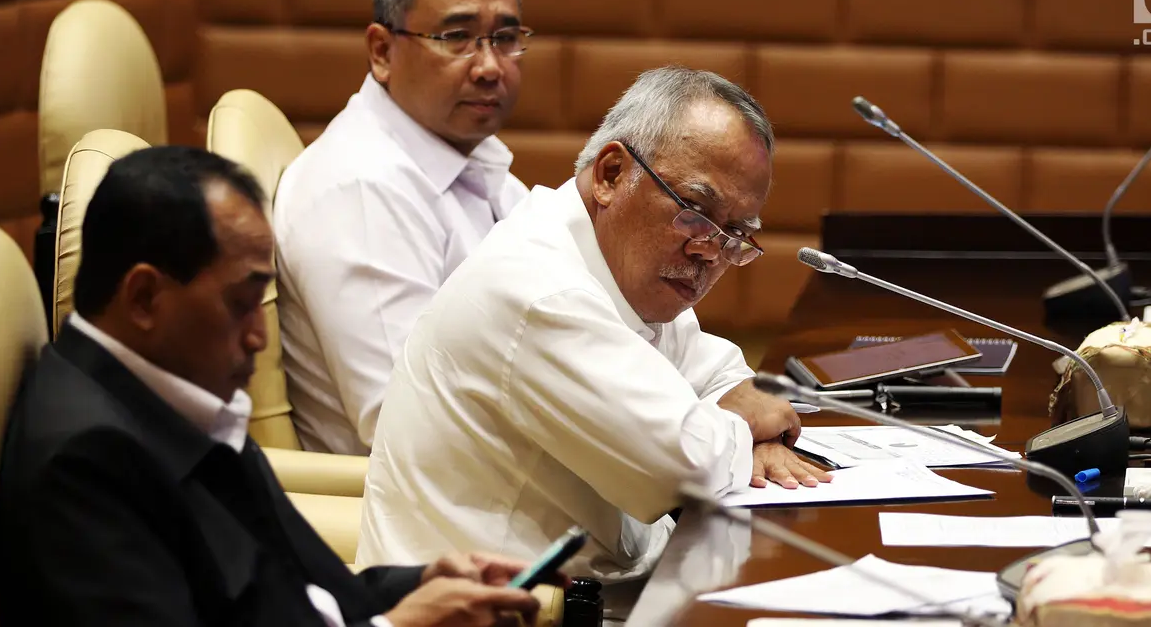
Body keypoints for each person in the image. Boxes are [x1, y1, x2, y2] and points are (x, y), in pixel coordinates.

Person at [0, 146, 558, 627]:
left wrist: (418, 584)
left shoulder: (173, 394)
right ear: (144, 298)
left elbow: (299, 588)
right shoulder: (82, 464)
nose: (259, 337)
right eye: (241, 304)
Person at [357, 67, 832, 600]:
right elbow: (682, 466)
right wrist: (746, 429)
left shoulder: (617, 265)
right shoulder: (539, 290)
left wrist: (740, 422)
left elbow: (714, 369)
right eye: (696, 214)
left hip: (599, 591)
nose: (708, 252)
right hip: (499, 611)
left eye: (735, 236)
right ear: (610, 174)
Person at [273, 0, 532, 455]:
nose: (489, 66)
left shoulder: (469, 156)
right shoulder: (362, 189)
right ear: (382, 51)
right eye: (456, 37)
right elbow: (407, 424)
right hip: (441, 523)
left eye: (505, 39)